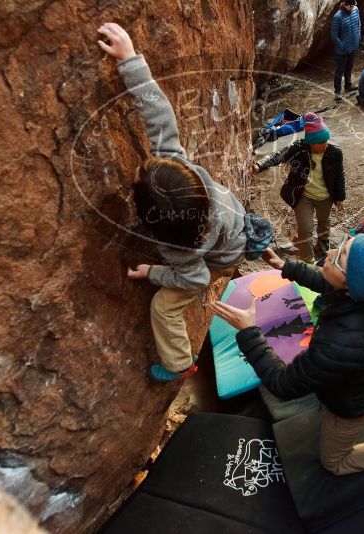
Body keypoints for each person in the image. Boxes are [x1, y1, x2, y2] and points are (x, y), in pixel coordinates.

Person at [209, 235, 364, 477]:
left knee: (335, 462)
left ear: (355, 282)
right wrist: (286, 266)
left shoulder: (340, 342)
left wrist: (249, 331)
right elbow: (331, 283)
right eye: (341, 247)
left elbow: (281, 384)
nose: (329, 253)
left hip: (350, 405)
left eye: (341, 257)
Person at [98, 23, 247, 382]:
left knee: (163, 308)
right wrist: (129, 60)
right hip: (232, 221)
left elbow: (195, 278)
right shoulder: (178, 169)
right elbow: (159, 115)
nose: (141, 167)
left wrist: (153, 273)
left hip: (221, 255)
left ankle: (179, 364)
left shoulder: (179, 247)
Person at [251, 114, 345, 263]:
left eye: (326, 141)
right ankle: (307, 262)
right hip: (303, 195)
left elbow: (339, 174)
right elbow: (279, 155)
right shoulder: (299, 148)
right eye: (320, 142)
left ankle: (322, 245)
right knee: (305, 228)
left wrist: (340, 197)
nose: (325, 145)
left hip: (326, 196)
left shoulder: (335, 152)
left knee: (324, 222)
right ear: (311, 142)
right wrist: (259, 165)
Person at [330, 0, 361, 102]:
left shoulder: (355, 10)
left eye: (353, 5)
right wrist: (342, 46)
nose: (352, 8)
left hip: (353, 46)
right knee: (340, 70)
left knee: (349, 66)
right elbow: (334, 35)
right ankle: (337, 92)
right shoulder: (337, 17)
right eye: (350, 6)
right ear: (345, 5)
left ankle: (348, 85)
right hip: (342, 50)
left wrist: (358, 37)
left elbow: (358, 24)